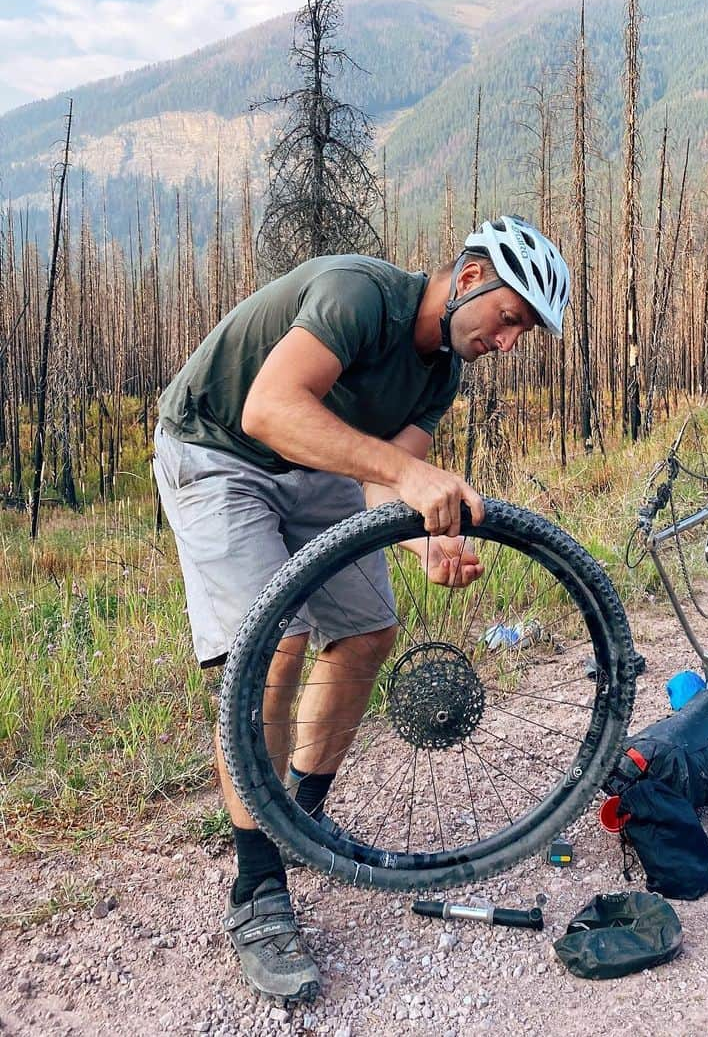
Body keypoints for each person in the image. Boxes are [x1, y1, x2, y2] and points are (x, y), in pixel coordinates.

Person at [153, 215, 570, 1003]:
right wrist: (409, 483)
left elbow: (381, 485)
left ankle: (301, 817)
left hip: (314, 466)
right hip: (217, 451)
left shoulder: (439, 375)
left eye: (526, 335)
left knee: (369, 628)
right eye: (511, 318)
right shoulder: (360, 295)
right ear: (472, 278)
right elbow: (269, 411)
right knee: (275, 645)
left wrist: (423, 544)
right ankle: (258, 889)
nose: (509, 344)